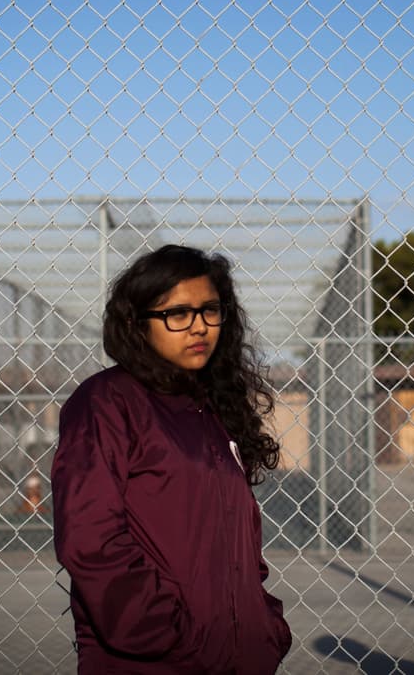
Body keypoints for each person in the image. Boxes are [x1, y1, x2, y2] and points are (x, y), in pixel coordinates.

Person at [52, 244, 292, 674]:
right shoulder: (108, 402)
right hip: (154, 660)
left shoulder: (214, 408)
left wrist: (264, 626)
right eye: (177, 314)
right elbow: (90, 538)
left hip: (241, 659)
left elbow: (239, 543)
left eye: (209, 311)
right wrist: (166, 634)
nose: (198, 327)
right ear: (137, 323)